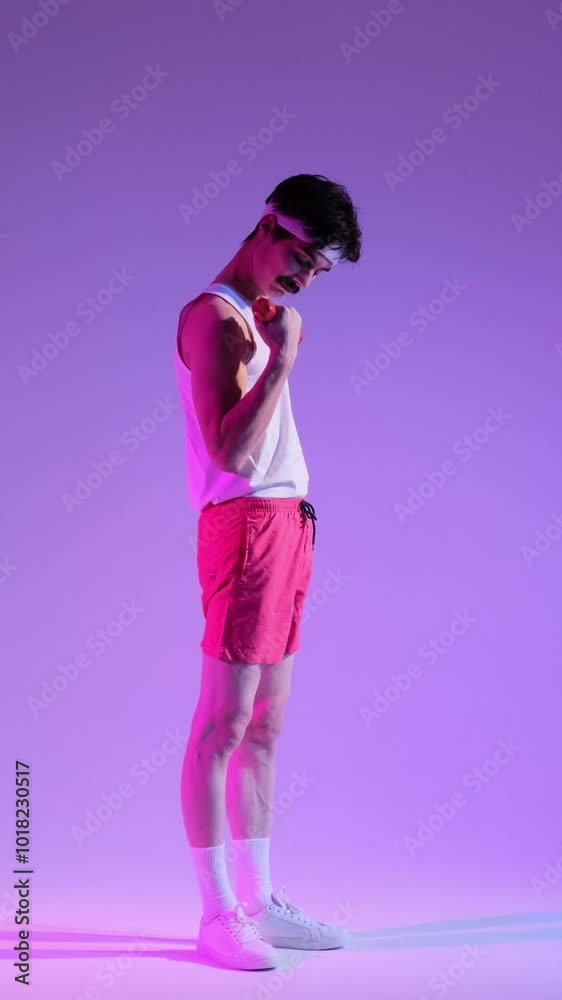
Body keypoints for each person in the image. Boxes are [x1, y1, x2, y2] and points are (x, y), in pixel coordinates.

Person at [174, 173, 362, 971]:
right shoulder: (215, 317)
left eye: (319, 270)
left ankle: (259, 902)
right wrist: (281, 361)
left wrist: (279, 349)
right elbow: (230, 454)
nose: (305, 279)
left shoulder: (259, 315)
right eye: (301, 257)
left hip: (288, 523)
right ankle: (216, 914)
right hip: (246, 526)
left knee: (266, 725)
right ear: (266, 224)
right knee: (222, 724)